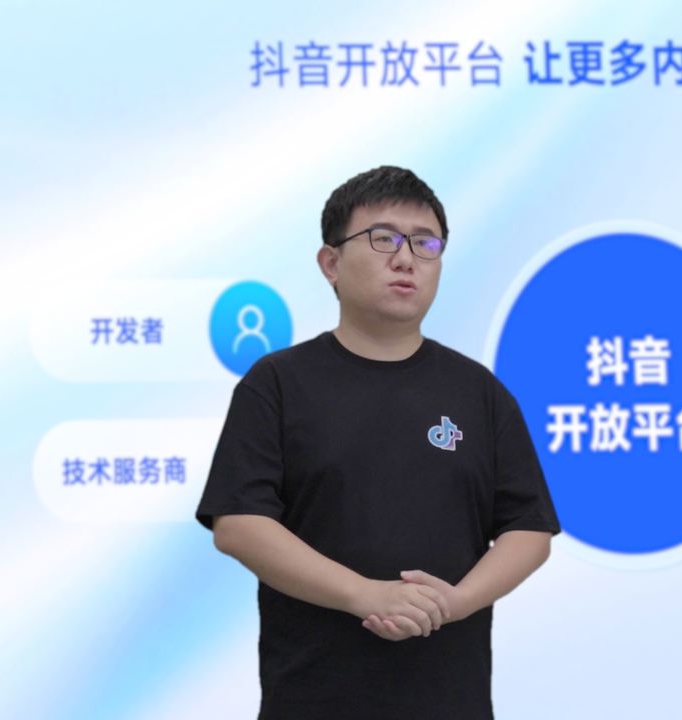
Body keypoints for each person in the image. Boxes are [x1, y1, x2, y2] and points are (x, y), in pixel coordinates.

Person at [195, 165, 561, 720]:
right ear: (331, 263)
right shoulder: (277, 384)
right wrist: (365, 594)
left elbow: (529, 529)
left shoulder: (480, 392)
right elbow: (239, 524)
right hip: (313, 700)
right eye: (384, 238)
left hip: (450, 700)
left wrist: (454, 602)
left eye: (426, 243)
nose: (406, 258)